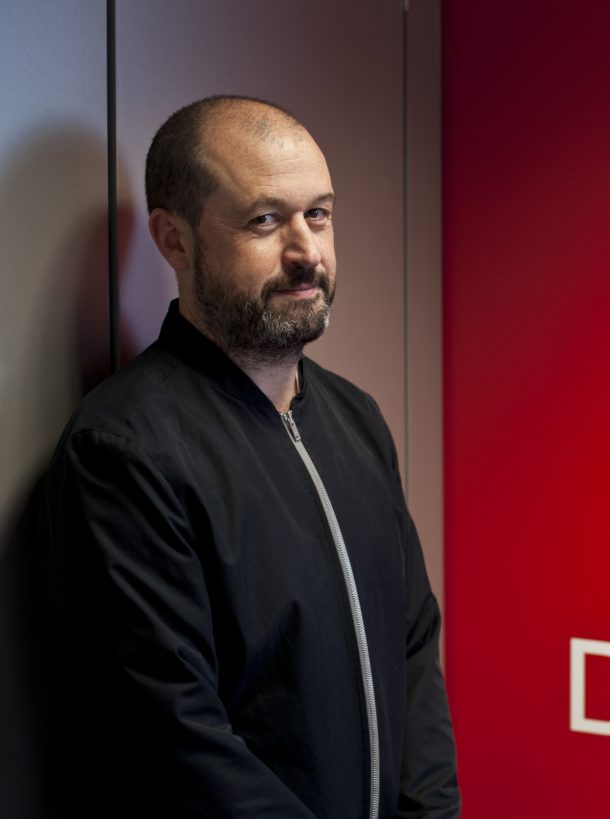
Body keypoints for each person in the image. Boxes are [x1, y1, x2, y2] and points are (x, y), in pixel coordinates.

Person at [42, 96, 460, 818]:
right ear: (175, 241)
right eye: (265, 220)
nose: (307, 251)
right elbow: (174, 741)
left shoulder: (354, 418)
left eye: (319, 214)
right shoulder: (123, 452)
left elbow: (413, 649)